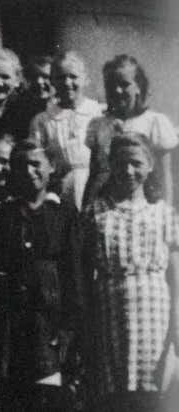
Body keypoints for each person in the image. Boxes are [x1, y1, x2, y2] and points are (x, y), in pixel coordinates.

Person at [81, 134, 179, 409]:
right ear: (111, 165)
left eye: (136, 163)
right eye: (120, 163)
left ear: (149, 166)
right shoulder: (95, 213)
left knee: (153, 394)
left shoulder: (162, 212)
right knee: (115, 395)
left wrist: (177, 318)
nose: (128, 171)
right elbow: (86, 273)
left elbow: (175, 273)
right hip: (109, 313)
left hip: (154, 314)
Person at [0, 138, 79, 407]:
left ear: (51, 166)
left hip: (50, 318)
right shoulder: (3, 215)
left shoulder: (63, 212)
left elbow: (74, 273)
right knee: (17, 395)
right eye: (20, 166)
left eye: (35, 164)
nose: (29, 171)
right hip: (13, 321)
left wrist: (68, 327)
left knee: (49, 395)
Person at [87, 55, 175, 203]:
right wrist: (86, 207)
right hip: (105, 203)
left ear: (139, 87)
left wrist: (167, 215)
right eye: (111, 85)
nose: (117, 90)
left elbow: (165, 178)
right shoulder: (98, 124)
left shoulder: (155, 122)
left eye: (124, 84)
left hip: (145, 202)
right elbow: (94, 173)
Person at [29, 51, 104, 209]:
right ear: (53, 82)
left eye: (73, 76)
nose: (67, 83)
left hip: (96, 186)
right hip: (59, 189)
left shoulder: (98, 113)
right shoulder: (43, 120)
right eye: (60, 77)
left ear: (85, 79)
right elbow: (37, 158)